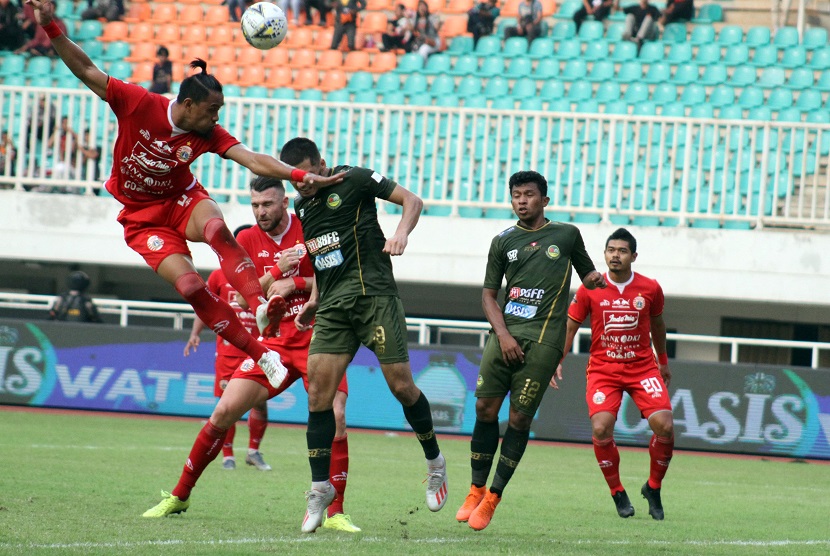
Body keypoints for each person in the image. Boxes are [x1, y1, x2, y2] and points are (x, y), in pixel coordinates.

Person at [26, 0, 345, 393]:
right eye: (213, 110)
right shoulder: (139, 103)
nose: (217, 118)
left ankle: (259, 307)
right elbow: (86, 69)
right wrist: (50, 26)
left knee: (217, 229)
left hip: (182, 200)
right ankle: (262, 354)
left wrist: (300, 174)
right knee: (192, 288)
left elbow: (253, 160)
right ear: (189, 105)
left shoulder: (208, 132)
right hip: (142, 217)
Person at [143, 176, 361, 533]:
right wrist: (277, 271)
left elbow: (341, 278)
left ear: (284, 202)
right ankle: (180, 494)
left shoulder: (310, 228)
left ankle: (336, 512)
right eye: (256, 205)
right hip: (272, 345)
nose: (261, 212)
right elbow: (241, 298)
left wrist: (298, 283)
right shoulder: (244, 239)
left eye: (268, 205)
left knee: (336, 415)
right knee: (224, 410)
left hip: (318, 341)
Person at [279, 137, 448, 534]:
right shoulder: (303, 206)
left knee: (402, 386)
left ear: (321, 162)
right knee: (319, 396)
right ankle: (320, 488)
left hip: (374, 296)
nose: (303, 185)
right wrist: (316, 300)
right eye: (297, 180)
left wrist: (402, 232)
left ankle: (435, 462)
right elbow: (323, 257)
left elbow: (412, 201)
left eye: (309, 174)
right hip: (334, 308)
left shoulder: (354, 179)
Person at [455, 170, 606, 531]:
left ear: (544, 200)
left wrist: (603, 281)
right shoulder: (502, 241)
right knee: (484, 408)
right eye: (516, 195)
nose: (522, 201)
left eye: (529, 195)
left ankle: (493, 497)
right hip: (505, 334)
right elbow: (489, 296)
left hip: (544, 340)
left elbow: (588, 276)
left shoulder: (566, 235)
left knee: (520, 419)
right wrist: (503, 335)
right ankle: (475, 489)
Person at [553, 227, 674, 521]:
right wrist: (558, 359)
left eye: (621, 251)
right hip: (604, 370)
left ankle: (653, 487)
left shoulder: (650, 288)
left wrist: (663, 360)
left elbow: (657, 326)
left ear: (633, 256)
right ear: (604, 254)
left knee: (666, 426)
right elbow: (570, 326)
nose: (615, 255)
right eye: (610, 250)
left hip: (642, 367)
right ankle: (618, 492)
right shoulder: (589, 288)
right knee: (601, 428)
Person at [182, 224, 273, 473]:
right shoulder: (219, 275)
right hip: (229, 351)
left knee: (261, 403)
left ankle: (254, 451)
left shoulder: (266, 273)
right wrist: (194, 334)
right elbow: (205, 306)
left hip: (260, 348)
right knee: (227, 403)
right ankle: (228, 455)